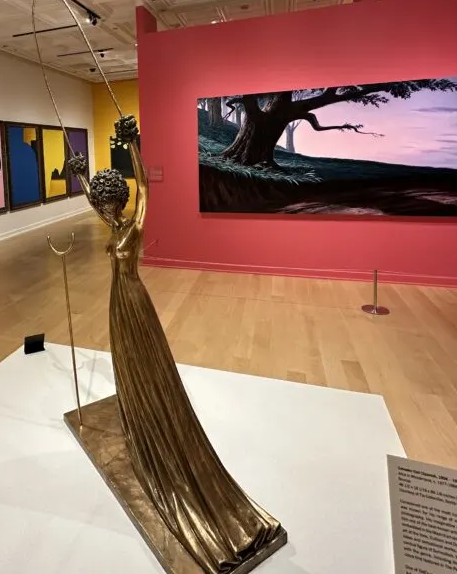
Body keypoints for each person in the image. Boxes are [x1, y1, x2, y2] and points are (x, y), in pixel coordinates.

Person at [66, 114, 283, 574]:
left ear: (118, 202)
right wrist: (81, 173)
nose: (103, 211)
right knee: (127, 364)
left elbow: (146, 188)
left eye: (107, 204)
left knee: (145, 364)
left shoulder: (134, 226)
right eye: (100, 206)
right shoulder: (109, 223)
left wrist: (135, 148)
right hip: (116, 303)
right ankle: (138, 411)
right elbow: (92, 200)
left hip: (133, 301)